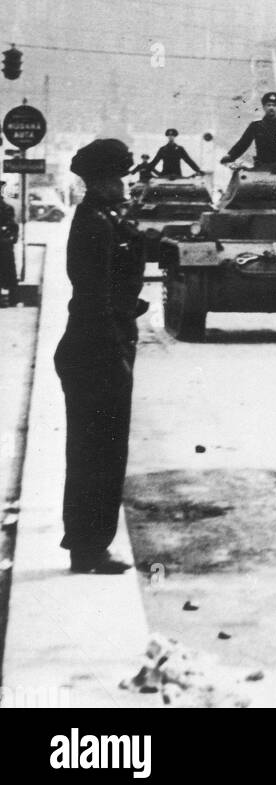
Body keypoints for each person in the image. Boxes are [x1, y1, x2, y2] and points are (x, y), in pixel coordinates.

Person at [53, 139, 147, 573]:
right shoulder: (95, 223)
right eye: (119, 179)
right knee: (99, 454)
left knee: (98, 451)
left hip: (98, 344)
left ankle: (88, 543)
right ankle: (88, 548)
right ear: (102, 182)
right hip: (97, 348)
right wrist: (117, 354)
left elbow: (118, 278)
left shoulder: (104, 217)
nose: (125, 186)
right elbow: (94, 294)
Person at [0, 181, 20, 306]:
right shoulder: (7, 207)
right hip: (5, 245)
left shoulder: (7, 208)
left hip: (5, 245)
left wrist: (13, 237)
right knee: (8, 272)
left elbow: (13, 226)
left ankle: (10, 299)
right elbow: (14, 226)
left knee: (8, 272)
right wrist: (13, 238)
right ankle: (11, 299)